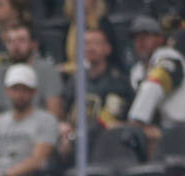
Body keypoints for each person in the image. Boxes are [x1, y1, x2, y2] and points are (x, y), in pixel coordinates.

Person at [126, 15, 185, 147]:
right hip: (165, 133)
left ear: (160, 38)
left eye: (146, 36)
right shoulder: (136, 72)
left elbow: (155, 84)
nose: (140, 42)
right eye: (136, 38)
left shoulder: (170, 56)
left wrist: (136, 121)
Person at [56, 28, 133, 163]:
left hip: (106, 144)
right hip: (74, 144)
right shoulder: (75, 80)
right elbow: (64, 113)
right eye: (86, 43)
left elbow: (109, 120)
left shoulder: (118, 82)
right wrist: (63, 127)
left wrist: (75, 135)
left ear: (107, 48)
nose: (90, 48)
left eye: (96, 43)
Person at [0, 23, 64, 126]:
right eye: (10, 41)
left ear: (33, 44)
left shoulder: (47, 70)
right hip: (4, 132)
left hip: (37, 130)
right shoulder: (0, 71)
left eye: (21, 40)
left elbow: (54, 114)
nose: (16, 46)